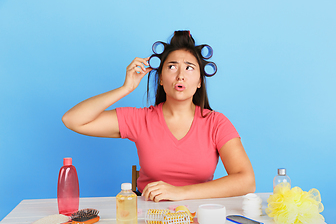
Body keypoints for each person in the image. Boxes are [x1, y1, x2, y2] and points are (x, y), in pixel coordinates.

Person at [62, 30, 255, 202]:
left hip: (198, 216)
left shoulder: (216, 123)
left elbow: (246, 181)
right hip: (148, 217)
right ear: (161, 78)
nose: (180, 75)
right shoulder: (140, 119)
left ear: (199, 82)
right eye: (172, 66)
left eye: (189, 68)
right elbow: (72, 120)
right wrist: (126, 88)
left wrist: (180, 193)